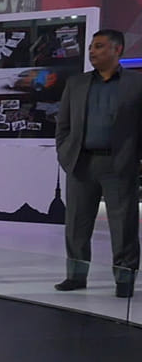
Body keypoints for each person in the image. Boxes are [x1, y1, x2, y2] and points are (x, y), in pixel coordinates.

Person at [54, 29, 142, 298]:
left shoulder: (136, 83)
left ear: (118, 50)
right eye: (92, 46)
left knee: (124, 225)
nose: (92, 51)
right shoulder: (77, 83)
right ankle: (76, 276)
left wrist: (136, 159)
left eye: (100, 46)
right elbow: (63, 125)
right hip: (81, 162)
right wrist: (65, 153)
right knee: (76, 225)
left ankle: (124, 280)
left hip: (119, 164)